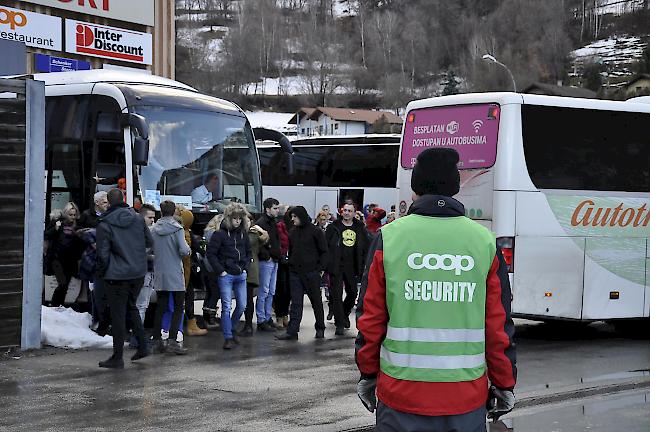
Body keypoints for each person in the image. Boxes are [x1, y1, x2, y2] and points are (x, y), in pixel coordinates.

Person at [355, 148, 517, 431]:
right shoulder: (483, 242)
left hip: (401, 396)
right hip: (465, 398)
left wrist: (368, 374)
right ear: (455, 188)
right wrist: (504, 383)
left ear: (415, 187)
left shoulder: (390, 238)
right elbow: (497, 325)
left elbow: (371, 318)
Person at [96, 189, 153, 369]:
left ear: (110, 203)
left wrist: (101, 272)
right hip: (137, 272)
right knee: (132, 308)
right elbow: (149, 242)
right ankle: (143, 346)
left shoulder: (104, 224)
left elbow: (103, 255)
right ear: (124, 200)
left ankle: (117, 357)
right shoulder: (137, 218)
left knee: (118, 315)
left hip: (116, 275)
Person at [275, 206, 328, 341]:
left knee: (316, 301)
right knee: (296, 303)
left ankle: (320, 327)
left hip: (312, 272)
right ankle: (292, 331)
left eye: (295, 217)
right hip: (295, 272)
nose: (292, 219)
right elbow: (292, 251)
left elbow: (324, 252)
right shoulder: (293, 232)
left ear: (302, 216)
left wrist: (320, 270)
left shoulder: (316, 232)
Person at [206, 203, 252, 350]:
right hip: (226, 275)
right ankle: (228, 337)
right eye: (235, 218)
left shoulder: (243, 234)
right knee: (226, 307)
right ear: (228, 218)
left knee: (242, 305)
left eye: (240, 218)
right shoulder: (219, 234)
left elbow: (248, 252)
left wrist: (245, 268)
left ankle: (231, 330)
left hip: (240, 274)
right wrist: (221, 271)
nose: (237, 221)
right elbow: (211, 254)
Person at [150, 200, 191, 355]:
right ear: (174, 212)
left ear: (160, 211)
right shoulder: (177, 229)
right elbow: (183, 250)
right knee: (179, 307)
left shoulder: (154, 229)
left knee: (160, 307)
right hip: (175, 272)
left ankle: (157, 340)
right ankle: (173, 340)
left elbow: (148, 248)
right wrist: (188, 250)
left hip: (160, 271)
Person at [325, 203, 369, 335]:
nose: (346, 213)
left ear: (354, 213)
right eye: (345, 210)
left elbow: (365, 247)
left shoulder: (359, 228)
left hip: (352, 266)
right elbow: (326, 245)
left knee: (353, 293)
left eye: (349, 211)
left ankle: (344, 313)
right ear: (341, 212)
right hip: (336, 265)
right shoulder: (333, 227)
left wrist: (363, 264)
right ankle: (339, 323)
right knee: (336, 295)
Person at [45, 202, 83, 307]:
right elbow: (46, 234)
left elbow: (79, 244)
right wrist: (55, 229)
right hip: (57, 259)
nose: (73, 217)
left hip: (70, 260)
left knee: (65, 286)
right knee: (62, 283)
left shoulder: (77, 226)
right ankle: (54, 306)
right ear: (66, 213)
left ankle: (58, 306)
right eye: (70, 215)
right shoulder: (58, 223)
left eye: (74, 215)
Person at [180, 209, 208, 337]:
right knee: (188, 298)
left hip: (180, 271)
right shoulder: (186, 234)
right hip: (186, 272)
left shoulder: (179, 232)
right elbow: (199, 249)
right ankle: (190, 325)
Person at [255, 198, 281, 331]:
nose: (278, 210)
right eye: (275, 208)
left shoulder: (271, 222)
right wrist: (268, 255)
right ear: (267, 209)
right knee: (264, 291)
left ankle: (267, 317)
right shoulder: (262, 223)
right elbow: (258, 243)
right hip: (268, 260)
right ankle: (261, 319)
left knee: (270, 291)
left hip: (273, 259)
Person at [242, 217, 269, 336]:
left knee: (247, 299)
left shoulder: (252, 235)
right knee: (245, 299)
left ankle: (248, 326)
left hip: (250, 269)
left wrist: (260, 231)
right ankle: (247, 325)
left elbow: (264, 238)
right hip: (247, 268)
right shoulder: (244, 233)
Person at [136, 204, 156, 324]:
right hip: (144, 272)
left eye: (154, 217)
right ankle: (137, 335)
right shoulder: (140, 233)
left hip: (148, 271)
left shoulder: (150, 231)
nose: (153, 220)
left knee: (142, 305)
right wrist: (153, 257)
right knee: (141, 305)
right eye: (150, 217)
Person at [273, 205, 292, 328]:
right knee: (281, 289)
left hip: (293, 262)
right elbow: (277, 243)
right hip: (281, 261)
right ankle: (280, 315)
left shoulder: (297, 228)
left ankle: (285, 315)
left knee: (289, 291)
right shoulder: (279, 227)